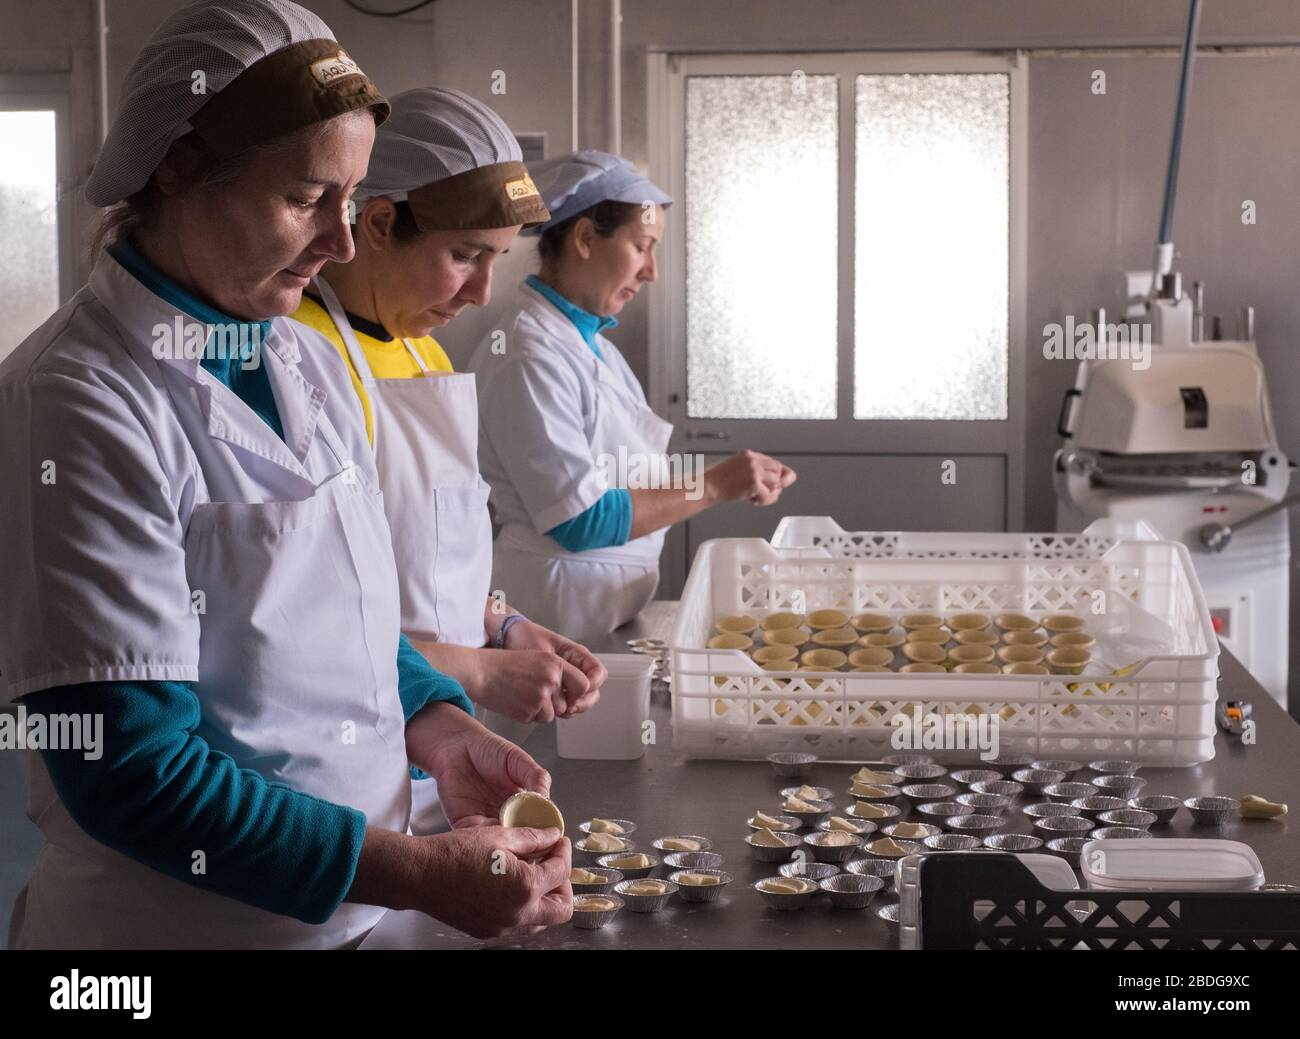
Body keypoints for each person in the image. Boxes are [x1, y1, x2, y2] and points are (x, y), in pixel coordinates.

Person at [0, 0, 568, 949]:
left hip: (355, 917)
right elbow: (129, 768)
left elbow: (343, 612)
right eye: (308, 199)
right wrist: (409, 868)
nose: (343, 242)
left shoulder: (296, 362)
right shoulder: (80, 397)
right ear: (179, 170)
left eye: (351, 200)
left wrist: (434, 721)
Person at [290, 87, 606, 827]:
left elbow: (423, 560)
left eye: (495, 258)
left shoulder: (419, 349)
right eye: (463, 255)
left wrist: (502, 625)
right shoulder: (300, 357)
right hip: (344, 762)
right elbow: (308, 615)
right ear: (378, 222)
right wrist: (482, 671)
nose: (481, 291)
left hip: (434, 746)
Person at [468, 150, 797, 644]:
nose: (651, 272)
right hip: (556, 611)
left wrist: (735, 476)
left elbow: (620, 478)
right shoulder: (528, 353)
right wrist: (712, 486)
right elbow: (580, 518)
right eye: (643, 246)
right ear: (584, 238)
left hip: (598, 607)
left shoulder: (589, 344)